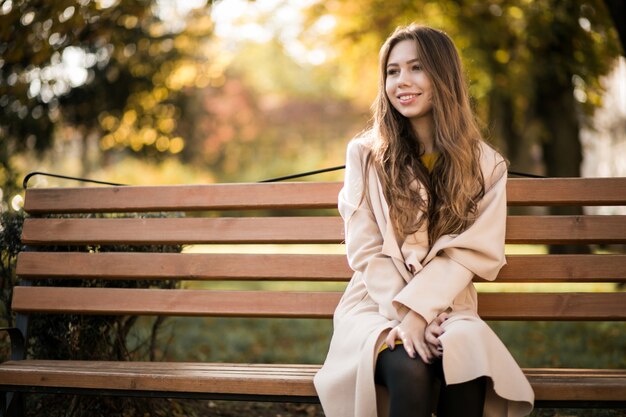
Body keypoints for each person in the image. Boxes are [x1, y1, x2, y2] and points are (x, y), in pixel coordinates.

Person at [314, 24, 535, 417]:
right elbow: (365, 251)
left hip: (450, 307)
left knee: (465, 359)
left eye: (416, 68)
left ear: (443, 76)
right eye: (393, 71)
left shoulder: (486, 165)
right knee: (409, 365)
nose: (403, 81)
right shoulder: (366, 155)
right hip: (375, 306)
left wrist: (421, 314)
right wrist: (405, 316)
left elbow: (469, 254)